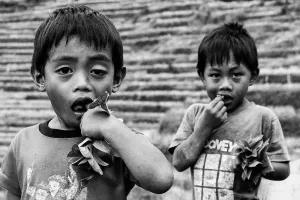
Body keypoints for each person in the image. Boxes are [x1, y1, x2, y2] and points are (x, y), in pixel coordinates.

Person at [0, 5, 173, 199]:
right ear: (40, 77)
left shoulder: (121, 141)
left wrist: (110, 127)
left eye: (97, 71)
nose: (83, 84)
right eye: (65, 70)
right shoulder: (23, 142)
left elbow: (162, 179)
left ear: (116, 79)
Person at [168, 22, 290, 200]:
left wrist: (258, 163)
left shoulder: (263, 118)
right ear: (202, 76)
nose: (225, 85)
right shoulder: (195, 114)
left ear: (253, 76)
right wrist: (205, 127)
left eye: (236, 75)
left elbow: (283, 169)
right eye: (215, 75)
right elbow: (179, 162)